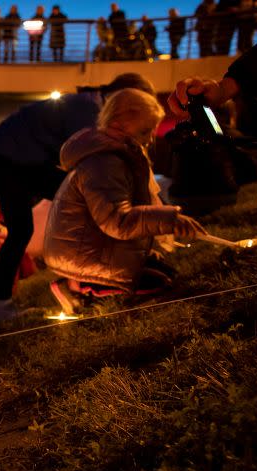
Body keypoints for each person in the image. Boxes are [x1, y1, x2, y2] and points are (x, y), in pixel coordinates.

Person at [0, 73, 156, 320]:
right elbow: (88, 155)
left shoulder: (94, 105)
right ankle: (8, 303)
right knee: (27, 229)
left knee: (59, 216)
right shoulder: (90, 110)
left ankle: (75, 282)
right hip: (9, 159)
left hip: (20, 157)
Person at [45, 89, 207, 313]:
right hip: (81, 259)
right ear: (119, 124)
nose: (150, 139)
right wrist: (169, 219)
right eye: (145, 131)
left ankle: (83, 285)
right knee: (159, 285)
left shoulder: (112, 155)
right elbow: (116, 221)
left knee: (166, 275)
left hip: (93, 250)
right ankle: (79, 288)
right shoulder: (104, 163)